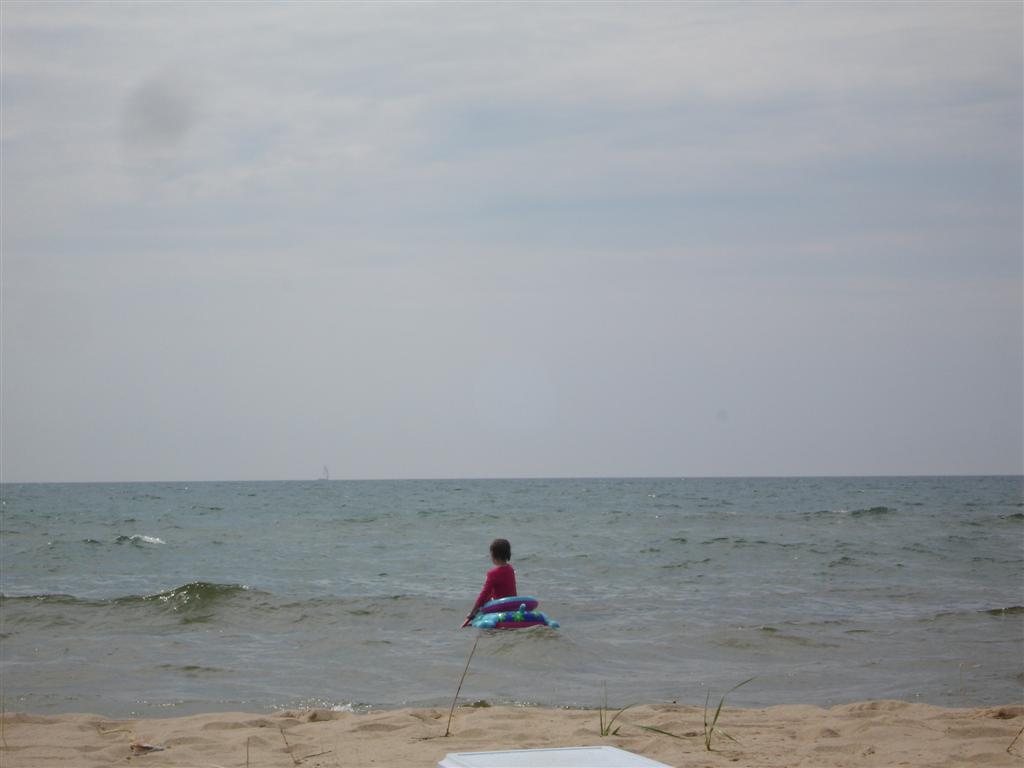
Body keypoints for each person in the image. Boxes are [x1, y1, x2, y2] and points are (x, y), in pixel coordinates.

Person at [463, 538, 517, 626]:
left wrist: (473, 612)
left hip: (499, 609)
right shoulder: (510, 569)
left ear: (494, 554)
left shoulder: (493, 573)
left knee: (478, 624)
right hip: (511, 607)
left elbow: (484, 594)